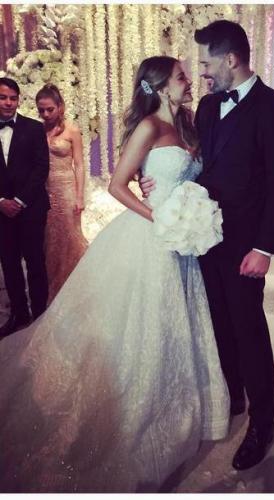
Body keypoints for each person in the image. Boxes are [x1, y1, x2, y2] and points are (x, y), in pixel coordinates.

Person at [0, 56, 229, 493]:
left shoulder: (189, 125)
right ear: (160, 86)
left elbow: (190, 176)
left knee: (177, 323)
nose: (189, 81)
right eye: (181, 76)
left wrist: (188, 210)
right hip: (152, 236)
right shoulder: (148, 127)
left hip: (182, 239)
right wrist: (159, 216)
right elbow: (117, 185)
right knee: (145, 324)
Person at [141, 20, 274, 470]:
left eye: (207, 63)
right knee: (218, 325)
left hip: (245, 244)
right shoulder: (209, 107)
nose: (202, 73)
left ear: (231, 59)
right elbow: (192, 163)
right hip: (202, 237)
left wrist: (264, 248)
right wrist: (152, 182)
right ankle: (232, 395)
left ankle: (262, 422)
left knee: (249, 329)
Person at [0, 77, 50, 338]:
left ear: (18, 100)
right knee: (9, 264)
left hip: (31, 207)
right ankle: (19, 314)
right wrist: (1, 202)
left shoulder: (34, 128)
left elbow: (42, 168)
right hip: (1, 212)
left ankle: (40, 316)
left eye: (13, 98)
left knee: (35, 262)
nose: (8, 103)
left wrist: (19, 201)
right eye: (2, 97)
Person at [36, 84, 88, 302]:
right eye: (41, 110)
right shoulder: (37, 129)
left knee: (70, 237)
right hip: (43, 192)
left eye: (50, 109)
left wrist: (79, 196)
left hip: (66, 190)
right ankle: (52, 288)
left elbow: (80, 164)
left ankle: (75, 288)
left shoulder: (72, 130)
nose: (46, 114)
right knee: (49, 241)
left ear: (60, 107)